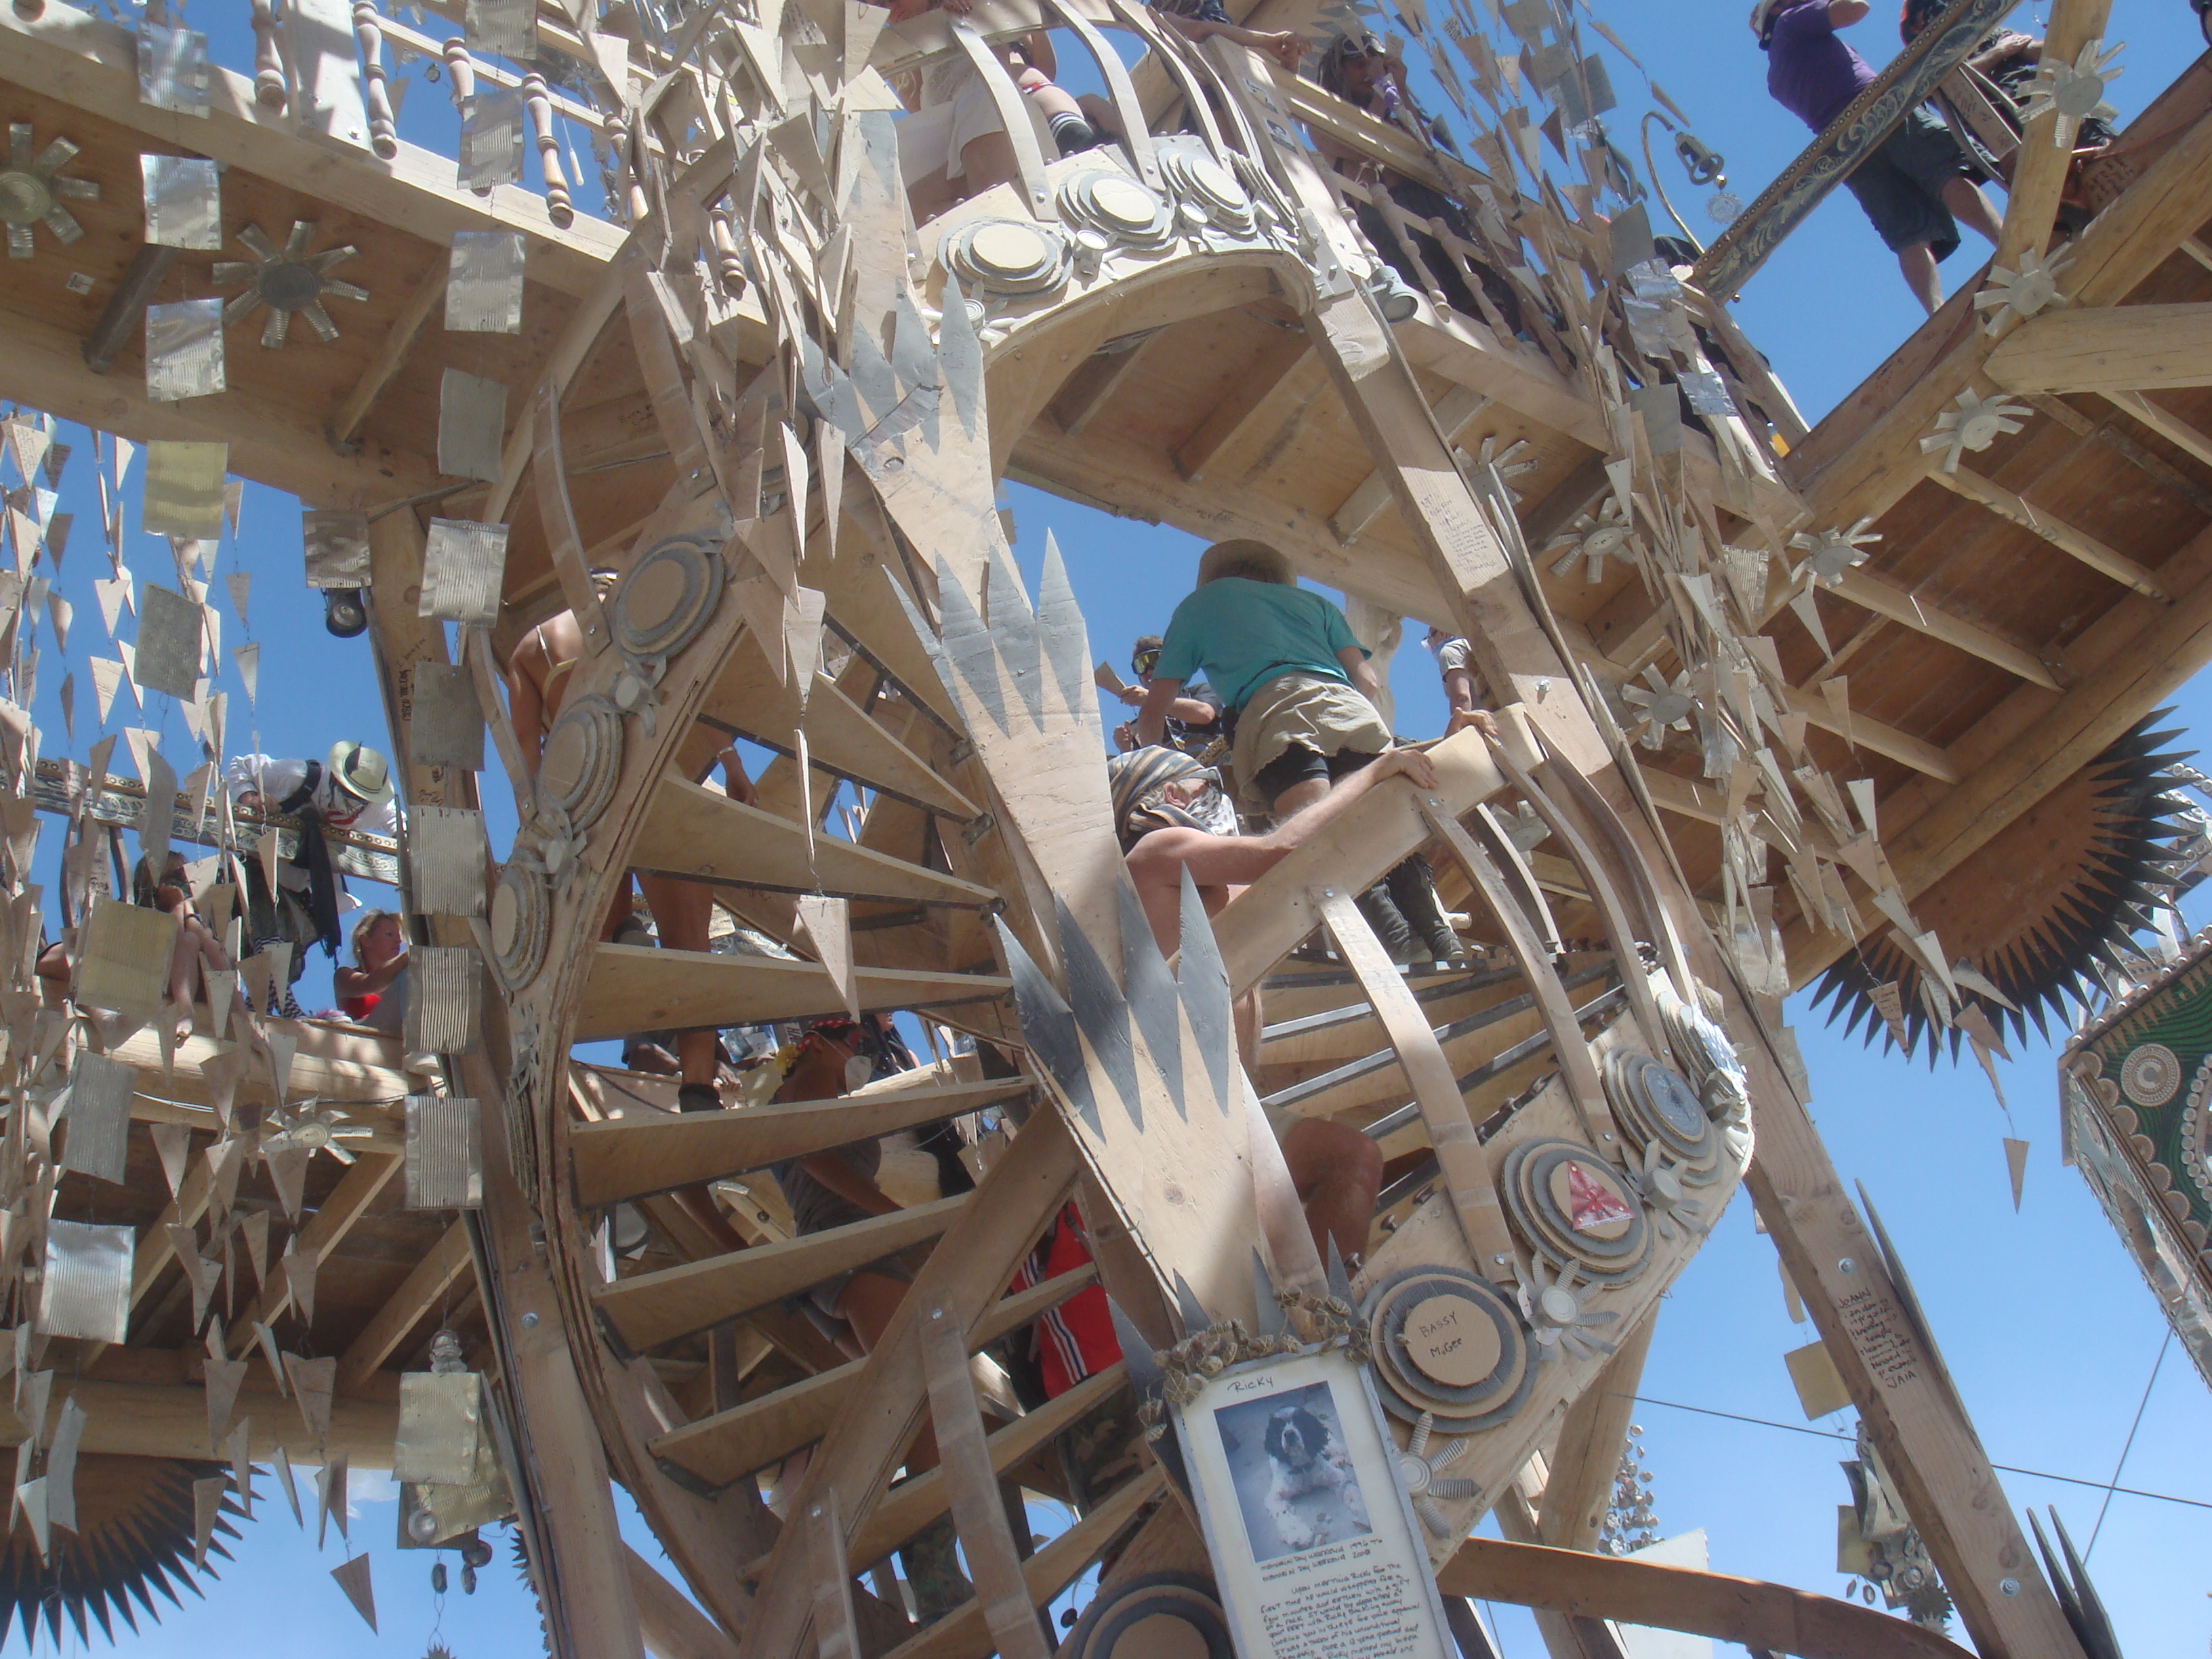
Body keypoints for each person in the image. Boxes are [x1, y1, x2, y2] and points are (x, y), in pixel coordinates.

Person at [1122, 744, 1448, 1268]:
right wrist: (1373, 772)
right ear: (1169, 795)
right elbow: (1286, 852)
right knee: (1350, 1160)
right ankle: (1321, 1330)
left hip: (1221, 1106)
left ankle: (1316, 1321)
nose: (1218, 800)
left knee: (1355, 1163)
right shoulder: (1156, 851)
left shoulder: (1204, 887)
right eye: (1205, 786)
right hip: (1181, 1105)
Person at [1133, 539, 1460, 964]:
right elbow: (1369, 681)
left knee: (1322, 837)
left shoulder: (1201, 605)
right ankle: (1442, 943)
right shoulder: (1315, 604)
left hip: (1277, 715)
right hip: (1353, 712)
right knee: (1386, 831)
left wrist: (1158, 767)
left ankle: (1399, 946)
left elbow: (1155, 706)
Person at [508, 571, 754, 1110]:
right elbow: (690, 688)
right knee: (691, 944)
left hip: (584, 794)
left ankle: (623, 934)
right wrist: (734, 766)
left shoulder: (531, 647)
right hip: (651, 785)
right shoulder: (633, 614)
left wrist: (539, 821)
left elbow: (525, 747)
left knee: (608, 889)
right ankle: (696, 1084)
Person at [766, 1012, 971, 1620]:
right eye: (857, 1040)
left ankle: (919, 1547)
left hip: (833, 1258)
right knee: (924, 1395)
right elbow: (813, 1160)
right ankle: (930, 1562)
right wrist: (890, 1216)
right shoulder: (805, 1089)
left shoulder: (814, 1091)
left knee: (908, 1408)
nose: (864, 1049)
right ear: (819, 1042)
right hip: (850, 1247)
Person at [1753, 0, 2003, 314]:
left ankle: (1937, 312)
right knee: (1945, 174)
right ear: (1777, 11)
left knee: (1908, 231)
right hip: (1884, 112)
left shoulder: (1775, 77)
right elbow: (1855, 9)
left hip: (1847, 151)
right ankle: (2009, 242)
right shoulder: (1791, 21)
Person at [1309, 33, 1522, 334]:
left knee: (1476, 284)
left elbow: (1427, 153)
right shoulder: (1322, 116)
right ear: (1339, 71)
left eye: (1374, 65)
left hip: (1431, 211)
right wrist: (1382, 92)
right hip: (1383, 217)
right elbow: (1362, 146)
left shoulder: (1391, 110)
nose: (1369, 72)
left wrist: (1399, 92)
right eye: (1359, 65)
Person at [226, 741, 398, 1011]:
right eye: (350, 795)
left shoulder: (376, 809)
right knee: (266, 933)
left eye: (361, 801)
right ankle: (285, 1006)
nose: (353, 807)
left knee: (292, 953)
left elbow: (399, 826)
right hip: (257, 868)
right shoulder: (297, 777)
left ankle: (254, 1006)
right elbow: (241, 764)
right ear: (335, 781)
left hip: (301, 887)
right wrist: (250, 798)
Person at [1111, 635, 1225, 758]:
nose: (1149, 672)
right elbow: (1142, 768)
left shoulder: (1198, 691)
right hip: (1170, 775)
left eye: (1155, 661)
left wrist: (1152, 698)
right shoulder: (1140, 725)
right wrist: (1126, 748)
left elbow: (1204, 714)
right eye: (1141, 665)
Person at [335, 908, 407, 1033]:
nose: (398, 941)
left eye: (399, 937)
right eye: (389, 935)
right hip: (364, 1035)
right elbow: (370, 983)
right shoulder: (344, 975)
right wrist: (411, 955)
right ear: (366, 940)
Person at [1427, 628, 1491, 737]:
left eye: (1430, 639)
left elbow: (1461, 696)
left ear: (1442, 633)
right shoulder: (1475, 645)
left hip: (1486, 726)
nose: (1430, 646)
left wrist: (1460, 732)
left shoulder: (1451, 650)